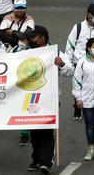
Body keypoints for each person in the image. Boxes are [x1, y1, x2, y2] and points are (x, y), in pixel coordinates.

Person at [30, 26, 74, 173]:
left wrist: (61, 63)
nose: (33, 40)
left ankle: (46, 162)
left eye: (35, 37)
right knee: (35, 130)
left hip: (51, 98)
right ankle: (36, 159)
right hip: (32, 98)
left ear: (43, 38)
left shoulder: (56, 52)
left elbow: (70, 70)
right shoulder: (29, 51)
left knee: (47, 130)